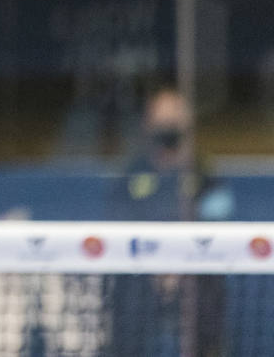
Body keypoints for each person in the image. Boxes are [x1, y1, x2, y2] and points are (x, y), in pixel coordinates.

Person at [104, 85, 233, 357]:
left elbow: (219, 217)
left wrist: (181, 262)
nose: (168, 125)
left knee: (208, 294)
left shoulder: (203, 171)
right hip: (141, 278)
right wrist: (155, 262)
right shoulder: (133, 172)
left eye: (174, 118)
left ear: (187, 123)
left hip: (194, 280)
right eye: (161, 119)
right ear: (147, 124)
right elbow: (118, 218)